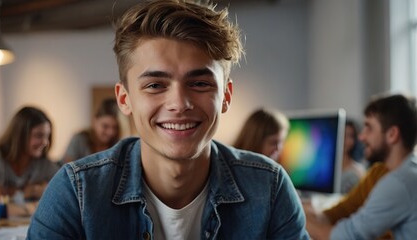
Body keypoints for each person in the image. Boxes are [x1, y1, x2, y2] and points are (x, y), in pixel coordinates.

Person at [27, 0, 309, 239]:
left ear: (225, 96)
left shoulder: (269, 187)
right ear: (124, 99)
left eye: (199, 83)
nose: (179, 104)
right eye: (155, 85)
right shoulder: (76, 193)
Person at [305, 93, 417, 240]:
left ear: (392, 134)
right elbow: (346, 211)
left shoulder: (399, 182)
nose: (361, 137)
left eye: (369, 128)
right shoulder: (403, 172)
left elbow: (347, 237)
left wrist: (293, 213)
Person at [0, 106, 59, 217]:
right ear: (20, 135)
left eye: (47, 136)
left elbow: (64, 188)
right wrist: (30, 207)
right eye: (39, 135)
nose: (45, 142)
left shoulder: (43, 163)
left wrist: (37, 189)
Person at [61, 98, 121, 163]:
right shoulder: (79, 139)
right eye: (105, 126)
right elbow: (66, 168)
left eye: (115, 127)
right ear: (95, 121)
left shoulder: (117, 145)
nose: (110, 132)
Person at [340, 119, 366, 194]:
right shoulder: (325, 169)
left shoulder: (359, 171)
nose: (345, 140)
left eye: (350, 136)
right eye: (342, 134)